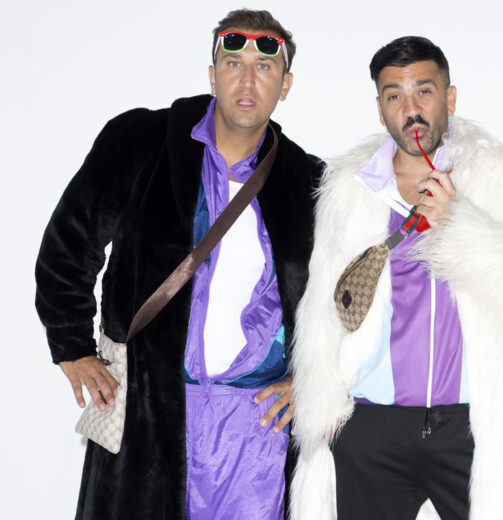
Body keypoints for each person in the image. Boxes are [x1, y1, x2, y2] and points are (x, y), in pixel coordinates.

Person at [35, 9, 322, 520]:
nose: (247, 80)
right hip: (152, 412)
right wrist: (72, 347)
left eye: (264, 67)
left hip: (257, 432)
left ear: (286, 85)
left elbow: (345, 303)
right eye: (233, 64)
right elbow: (69, 245)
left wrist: (318, 383)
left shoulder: (309, 182)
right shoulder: (142, 141)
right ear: (212, 75)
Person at [290, 36, 503, 520]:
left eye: (424, 91)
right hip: (370, 426)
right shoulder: (350, 189)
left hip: (472, 427)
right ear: (380, 109)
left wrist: (460, 223)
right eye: (394, 96)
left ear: (450, 97)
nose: (411, 109)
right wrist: (323, 404)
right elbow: (324, 306)